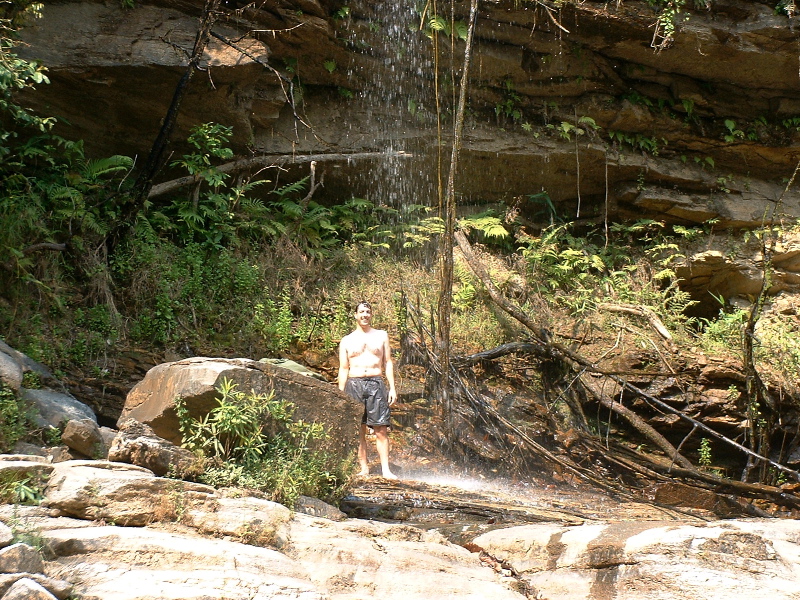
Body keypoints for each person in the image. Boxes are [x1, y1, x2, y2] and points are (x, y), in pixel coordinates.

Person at [338, 301, 398, 479]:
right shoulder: (347, 340)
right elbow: (343, 368)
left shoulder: (381, 336)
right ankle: (363, 468)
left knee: (381, 429)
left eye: (368, 311)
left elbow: (388, 363)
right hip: (354, 384)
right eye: (361, 312)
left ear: (371, 315)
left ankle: (386, 470)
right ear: (355, 315)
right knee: (358, 429)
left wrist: (392, 388)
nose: (365, 314)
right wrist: (340, 393)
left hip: (376, 383)